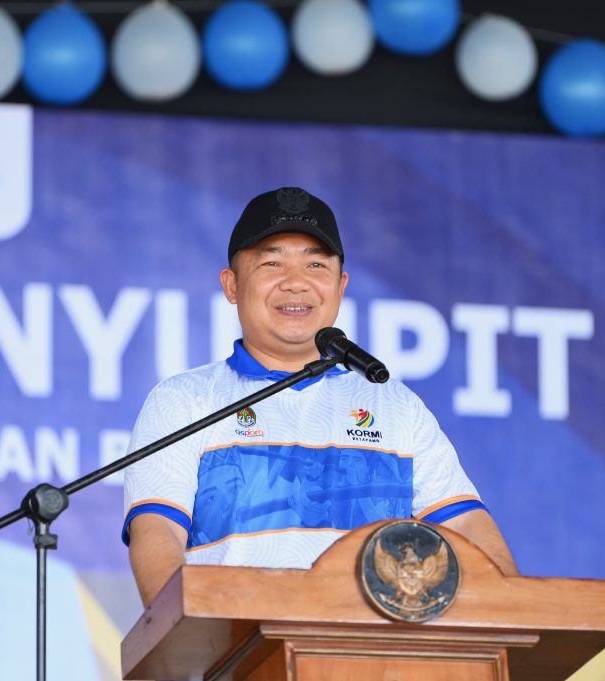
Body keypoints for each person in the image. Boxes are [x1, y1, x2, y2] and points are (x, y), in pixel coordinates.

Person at [122, 187, 517, 605]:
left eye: (315, 264)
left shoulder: (395, 406)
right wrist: (188, 632)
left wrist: (517, 616)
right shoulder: (184, 400)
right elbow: (158, 532)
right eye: (272, 263)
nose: (296, 283)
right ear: (231, 284)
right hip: (234, 640)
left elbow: (468, 529)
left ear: (340, 285)